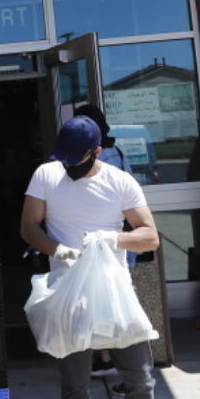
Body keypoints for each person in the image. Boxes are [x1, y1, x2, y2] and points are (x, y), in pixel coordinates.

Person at [19, 115, 164, 399]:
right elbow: (29, 227)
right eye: (63, 159)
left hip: (114, 297)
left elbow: (150, 237)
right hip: (70, 297)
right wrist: (58, 249)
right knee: (75, 387)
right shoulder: (46, 175)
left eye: (75, 160)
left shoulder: (120, 182)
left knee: (139, 379)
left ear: (96, 152)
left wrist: (112, 238)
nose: (68, 167)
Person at [73, 103, 137, 382]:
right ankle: (109, 360)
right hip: (120, 240)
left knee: (106, 305)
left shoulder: (93, 160)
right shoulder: (119, 153)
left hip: (101, 244)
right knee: (113, 303)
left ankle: (121, 366)